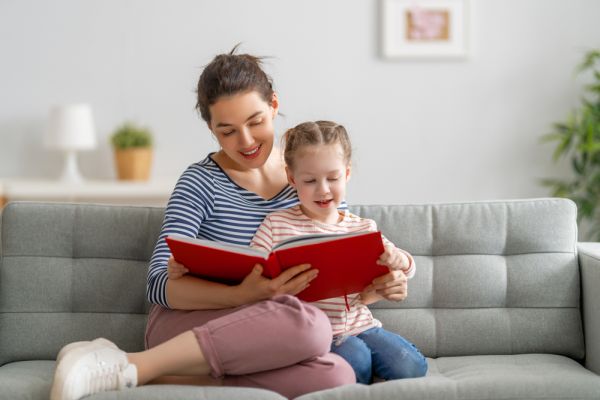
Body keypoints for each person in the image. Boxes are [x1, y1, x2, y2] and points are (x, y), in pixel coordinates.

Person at [50, 48, 410, 400]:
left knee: (339, 373)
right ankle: (134, 364)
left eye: (255, 122)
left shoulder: (312, 181)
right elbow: (159, 284)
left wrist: (379, 283)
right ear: (211, 129)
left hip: (271, 331)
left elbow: (339, 273)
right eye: (228, 131)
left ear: (274, 106)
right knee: (311, 327)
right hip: (190, 327)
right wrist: (244, 295)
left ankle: (158, 376)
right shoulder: (199, 182)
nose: (247, 141)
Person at [170, 120, 427, 384]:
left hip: (363, 325)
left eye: (333, 178)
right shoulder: (276, 224)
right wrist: (191, 267)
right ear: (292, 179)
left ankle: (372, 375)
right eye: (310, 180)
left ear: (347, 174)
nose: (323, 189)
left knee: (411, 366)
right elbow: (249, 272)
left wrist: (400, 259)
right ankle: (361, 375)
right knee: (357, 361)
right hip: (315, 334)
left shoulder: (362, 227)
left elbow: (406, 268)